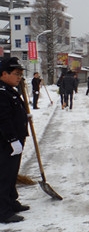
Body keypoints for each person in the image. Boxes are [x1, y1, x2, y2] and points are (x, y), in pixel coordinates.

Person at [0, 57, 30, 223]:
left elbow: (12, 112)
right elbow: (3, 118)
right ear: (4, 74)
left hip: (14, 141)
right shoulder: (2, 92)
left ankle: (11, 202)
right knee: (4, 176)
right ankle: (3, 211)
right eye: (16, 74)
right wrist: (12, 140)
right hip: (6, 143)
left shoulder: (10, 90)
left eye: (20, 74)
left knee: (12, 174)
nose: (19, 77)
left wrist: (25, 116)